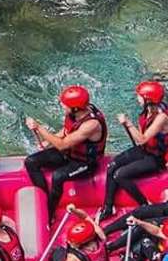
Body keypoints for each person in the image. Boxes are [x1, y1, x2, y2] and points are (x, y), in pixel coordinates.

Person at [23, 85, 106, 222]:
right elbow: (67, 130)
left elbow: (62, 145)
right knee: (31, 161)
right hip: (70, 153)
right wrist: (47, 143)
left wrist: (39, 128)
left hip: (85, 162)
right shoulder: (75, 113)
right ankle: (43, 200)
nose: (62, 106)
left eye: (65, 104)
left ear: (75, 108)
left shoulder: (91, 124)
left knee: (58, 176)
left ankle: (50, 213)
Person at [99, 145, 168, 241]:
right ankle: (104, 231)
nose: (167, 165)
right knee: (140, 211)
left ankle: (110, 247)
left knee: (144, 225)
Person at [100, 79, 168, 216]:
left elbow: (142, 139)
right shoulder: (147, 110)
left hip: (157, 158)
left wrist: (128, 123)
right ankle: (108, 207)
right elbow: (141, 138)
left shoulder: (162, 118)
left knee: (120, 175)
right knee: (112, 166)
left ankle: (144, 204)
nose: (137, 98)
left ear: (148, 99)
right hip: (145, 150)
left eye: (140, 96)